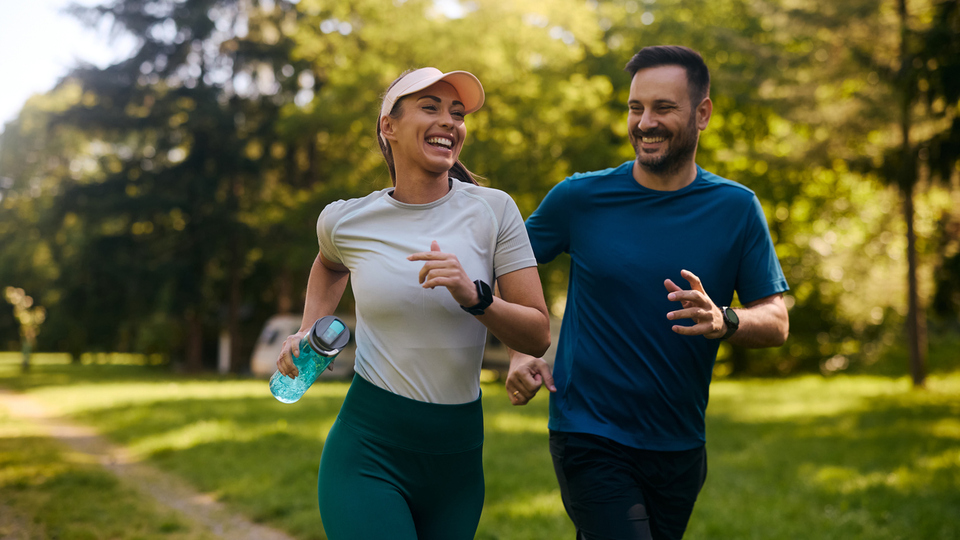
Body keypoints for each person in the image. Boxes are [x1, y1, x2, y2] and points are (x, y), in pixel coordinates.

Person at [505, 45, 790, 540]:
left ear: (702, 113)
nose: (645, 122)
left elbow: (777, 320)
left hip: (679, 443)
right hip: (589, 432)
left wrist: (726, 319)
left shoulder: (737, 208)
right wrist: (518, 350)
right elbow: (509, 265)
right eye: (636, 108)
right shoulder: (580, 198)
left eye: (663, 108)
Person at [275, 67, 551, 540]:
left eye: (457, 113)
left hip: (457, 461)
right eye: (431, 108)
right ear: (389, 126)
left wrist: (475, 297)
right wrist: (308, 328)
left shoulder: (495, 210)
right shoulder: (345, 220)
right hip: (368, 452)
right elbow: (329, 264)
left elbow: (537, 333)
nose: (450, 121)